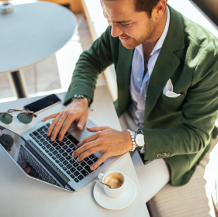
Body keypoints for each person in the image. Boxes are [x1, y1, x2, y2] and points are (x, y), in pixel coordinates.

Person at [42, 0, 218, 202]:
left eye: (124, 24)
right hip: (126, 115)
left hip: (166, 141)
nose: (115, 33)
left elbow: (196, 135)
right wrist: (80, 98)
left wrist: (132, 140)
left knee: (114, 202)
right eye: (109, 20)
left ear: (159, 8)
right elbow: (91, 60)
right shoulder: (120, 28)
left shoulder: (206, 55)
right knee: (73, 172)